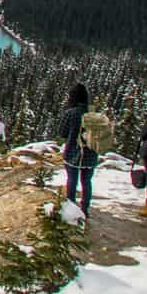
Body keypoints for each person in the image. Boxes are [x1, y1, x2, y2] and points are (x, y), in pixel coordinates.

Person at [57, 82, 97, 216]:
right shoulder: (94, 113)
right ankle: (85, 208)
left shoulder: (71, 113)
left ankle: (70, 205)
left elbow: (62, 132)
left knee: (72, 179)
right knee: (86, 181)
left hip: (73, 151)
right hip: (91, 152)